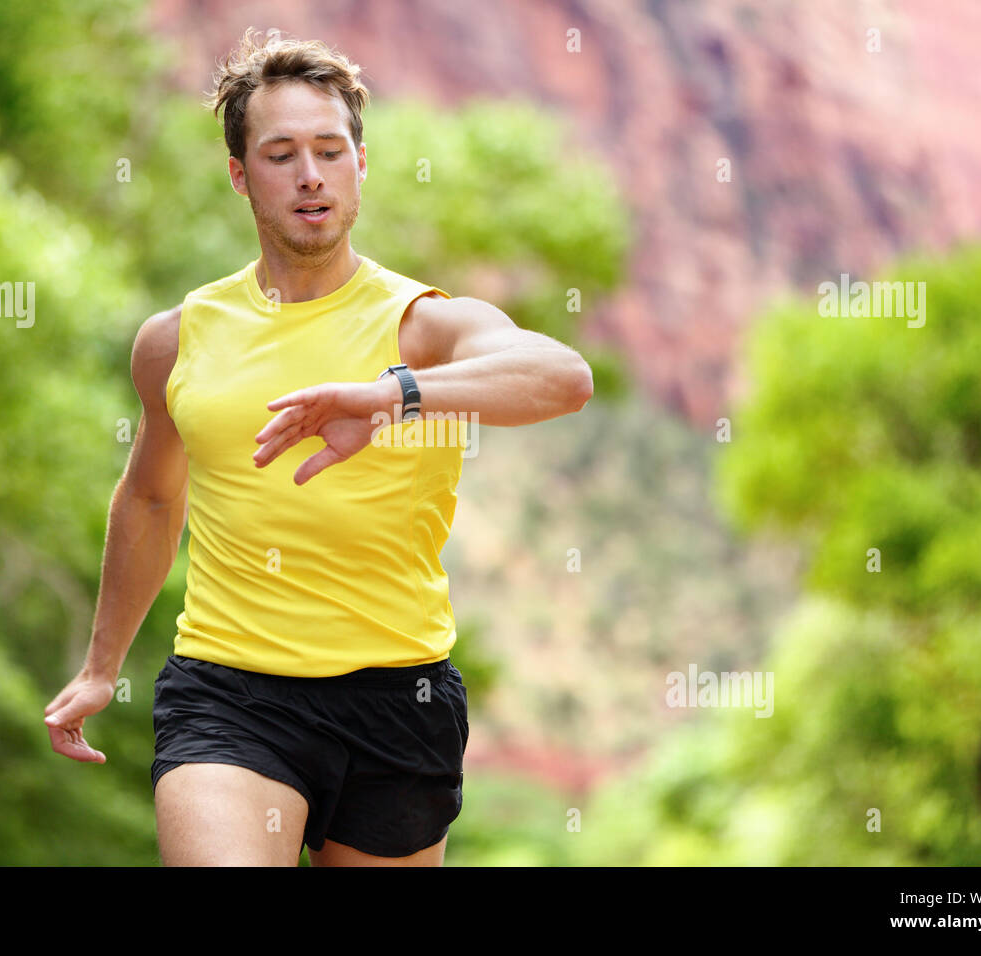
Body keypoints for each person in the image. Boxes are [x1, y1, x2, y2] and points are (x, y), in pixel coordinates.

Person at [43, 27, 593, 866]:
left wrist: (394, 395)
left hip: (399, 695)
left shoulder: (423, 323)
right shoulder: (177, 340)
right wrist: (99, 665)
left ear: (361, 165)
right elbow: (153, 497)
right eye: (281, 153)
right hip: (230, 692)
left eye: (331, 151)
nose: (310, 175)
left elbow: (563, 377)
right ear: (239, 174)